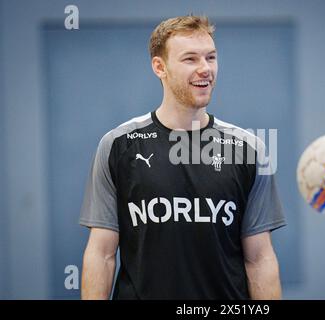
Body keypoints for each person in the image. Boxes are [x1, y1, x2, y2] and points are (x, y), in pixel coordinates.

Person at [79, 15, 286, 300]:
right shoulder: (118, 146)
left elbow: (260, 259)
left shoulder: (248, 149)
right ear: (159, 67)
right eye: (190, 59)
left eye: (211, 58)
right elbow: (101, 253)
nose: (205, 69)